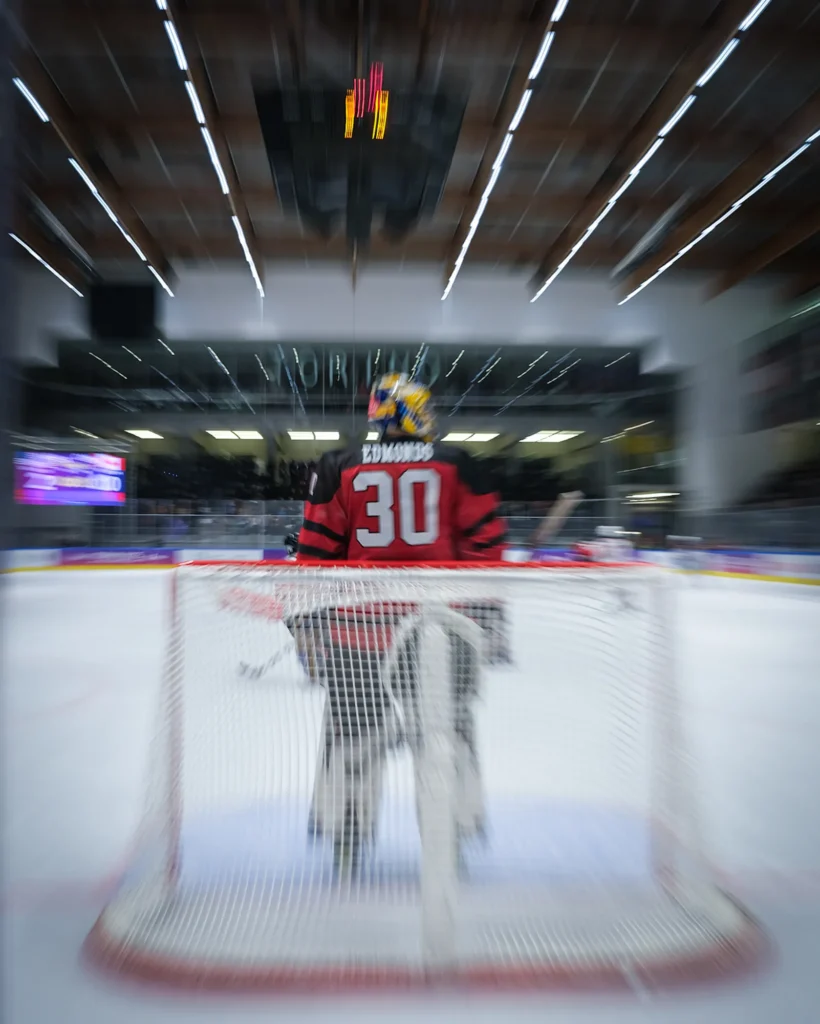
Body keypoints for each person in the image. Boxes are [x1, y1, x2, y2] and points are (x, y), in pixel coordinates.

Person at [290, 372, 506, 871]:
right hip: (440, 630)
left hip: (357, 632)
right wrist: (486, 616)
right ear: (404, 411)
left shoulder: (337, 465)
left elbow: (315, 553)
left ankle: (346, 838)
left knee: (351, 737)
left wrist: (305, 622)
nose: (429, 416)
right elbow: (486, 547)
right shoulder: (458, 464)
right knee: (446, 735)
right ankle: (451, 833)